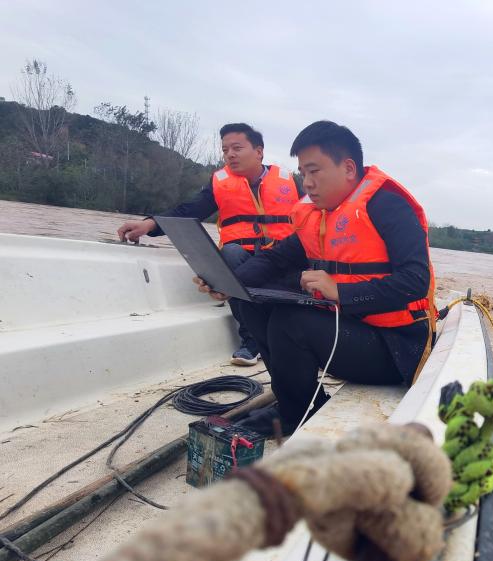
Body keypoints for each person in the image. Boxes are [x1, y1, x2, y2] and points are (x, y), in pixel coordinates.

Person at [195, 121, 436, 436]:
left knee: (291, 322)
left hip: (397, 349)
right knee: (250, 300)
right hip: (348, 331)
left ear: (348, 168)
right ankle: (297, 401)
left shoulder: (387, 205)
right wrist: (227, 282)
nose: (306, 183)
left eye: (314, 171)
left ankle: (296, 418)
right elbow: (275, 257)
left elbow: (415, 279)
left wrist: (342, 291)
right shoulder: (320, 216)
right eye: (302, 173)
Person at [117, 123, 302, 365]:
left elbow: (314, 218)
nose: (230, 155)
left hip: (280, 259)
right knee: (230, 254)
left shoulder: (289, 182)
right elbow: (189, 210)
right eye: (225, 150)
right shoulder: (220, 183)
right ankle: (252, 340)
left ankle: (297, 336)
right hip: (242, 260)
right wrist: (150, 224)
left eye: (237, 148)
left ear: (259, 152)